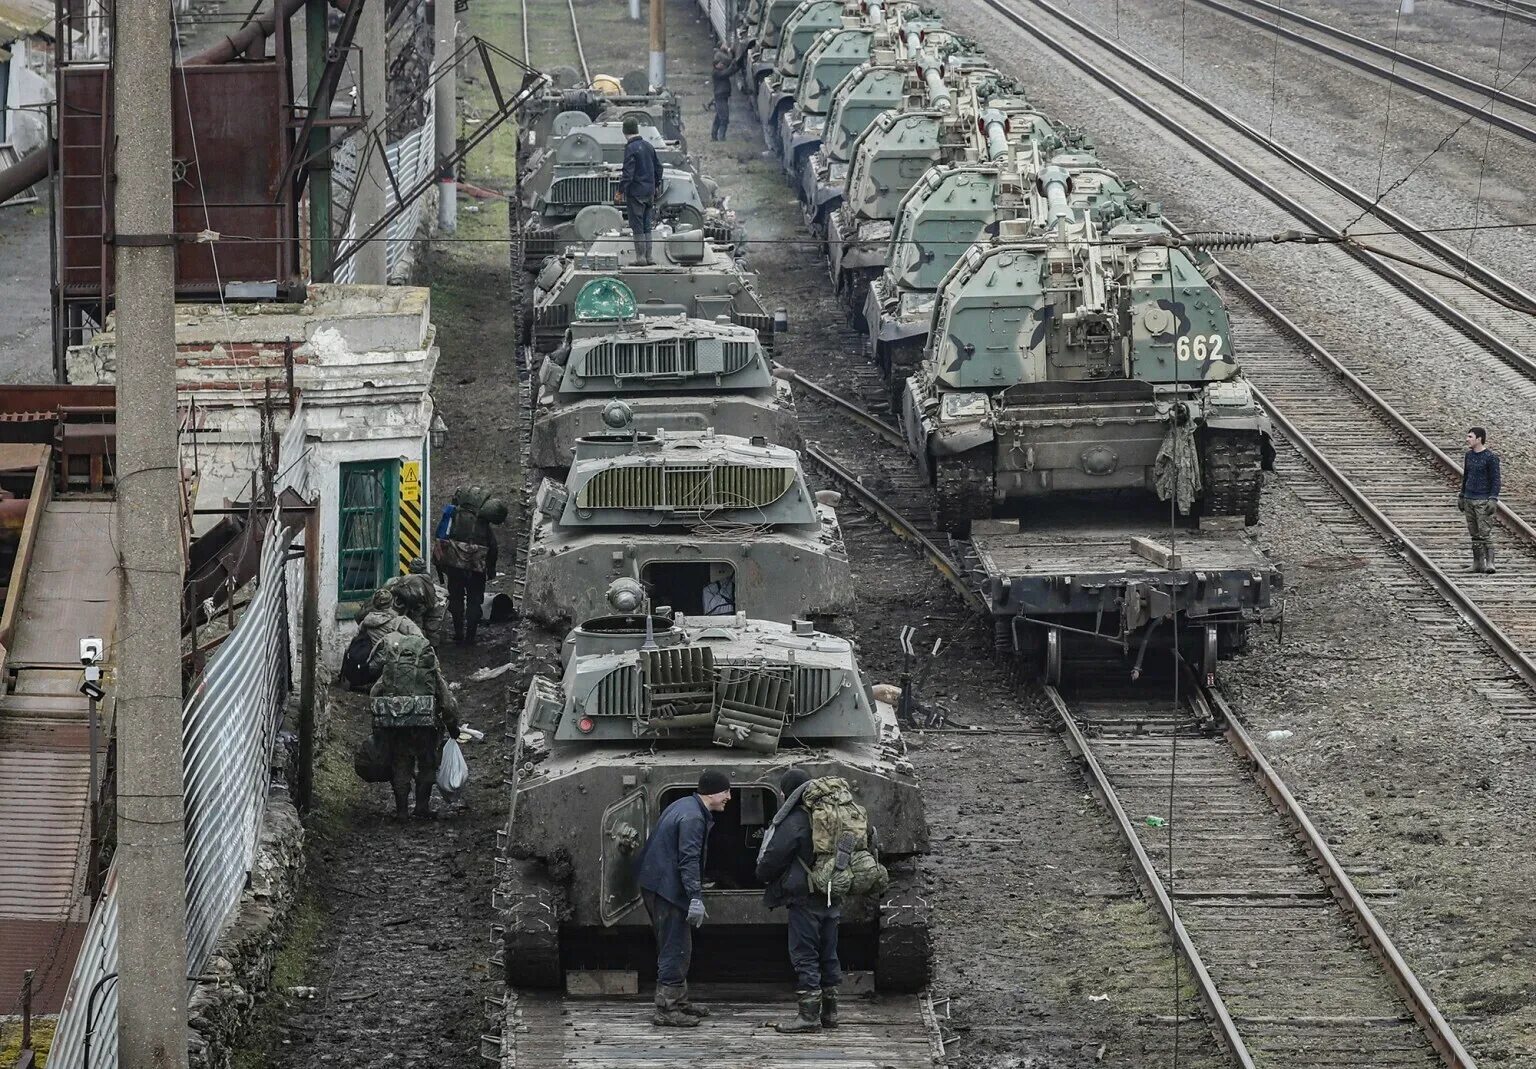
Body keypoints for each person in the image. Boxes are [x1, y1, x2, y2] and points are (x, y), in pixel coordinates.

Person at [634, 768, 733, 1027]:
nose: (729, 797)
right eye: (725, 792)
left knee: (677, 945)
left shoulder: (685, 805)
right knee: (675, 948)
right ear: (711, 793)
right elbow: (688, 859)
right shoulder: (693, 819)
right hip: (667, 889)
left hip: (659, 883)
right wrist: (696, 897)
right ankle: (666, 1010)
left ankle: (679, 1001)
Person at [756, 768, 842, 1033]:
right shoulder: (832, 815)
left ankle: (808, 1016)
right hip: (831, 893)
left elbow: (773, 857)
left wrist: (762, 875)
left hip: (805, 897)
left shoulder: (795, 820)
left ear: (787, 792)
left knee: (805, 954)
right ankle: (831, 1013)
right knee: (829, 952)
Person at [368, 630, 460, 820]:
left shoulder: (392, 671)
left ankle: (402, 811)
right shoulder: (431, 672)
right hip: (425, 727)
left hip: (396, 724)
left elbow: (375, 693)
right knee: (427, 764)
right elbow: (448, 704)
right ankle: (421, 807)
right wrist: (453, 728)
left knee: (401, 762)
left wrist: (379, 724)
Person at [434, 486, 508, 644]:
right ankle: (471, 637)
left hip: (455, 565)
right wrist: (491, 568)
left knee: (456, 598)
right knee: (475, 600)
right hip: (476, 567)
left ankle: (458, 633)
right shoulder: (482, 522)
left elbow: (440, 538)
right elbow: (493, 547)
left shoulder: (453, 514)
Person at [344, 588, 424, 691]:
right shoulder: (399, 621)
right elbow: (421, 640)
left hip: (366, 666)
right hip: (386, 667)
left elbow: (354, 641)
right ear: (392, 603)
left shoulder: (366, 621)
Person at [616, 117, 662, 265]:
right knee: (647, 224)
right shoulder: (648, 146)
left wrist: (620, 190)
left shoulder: (630, 148)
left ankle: (640, 258)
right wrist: (655, 185)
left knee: (637, 226)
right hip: (649, 193)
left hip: (636, 194)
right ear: (637, 130)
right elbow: (659, 168)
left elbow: (628, 174)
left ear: (624, 132)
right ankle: (650, 257)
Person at [1459, 426, 1501, 574]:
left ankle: (1490, 563)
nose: (1467, 439)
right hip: (1469, 499)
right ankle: (1477, 563)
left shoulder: (1491, 457)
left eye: (1470, 437)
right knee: (1474, 533)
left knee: (1485, 533)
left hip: (1483, 500)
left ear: (1479, 439)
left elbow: (1496, 480)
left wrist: (1493, 499)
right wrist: (1462, 495)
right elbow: (1466, 477)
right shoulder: (1468, 456)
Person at [385, 557, 446, 641]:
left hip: (418, 608)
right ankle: (433, 650)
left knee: (416, 630)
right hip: (433, 607)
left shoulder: (408, 579)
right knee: (432, 631)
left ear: (410, 568)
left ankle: (420, 647)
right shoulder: (427, 577)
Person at [709, 44, 744, 141]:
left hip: (722, 96)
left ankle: (714, 136)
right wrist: (733, 65)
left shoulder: (718, 71)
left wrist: (736, 66)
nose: (723, 65)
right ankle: (721, 137)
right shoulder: (716, 73)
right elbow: (727, 72)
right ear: (716, 65)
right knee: (724, 118)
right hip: (720, 97)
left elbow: (729, 72)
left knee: (719, 117)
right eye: (721, 64)